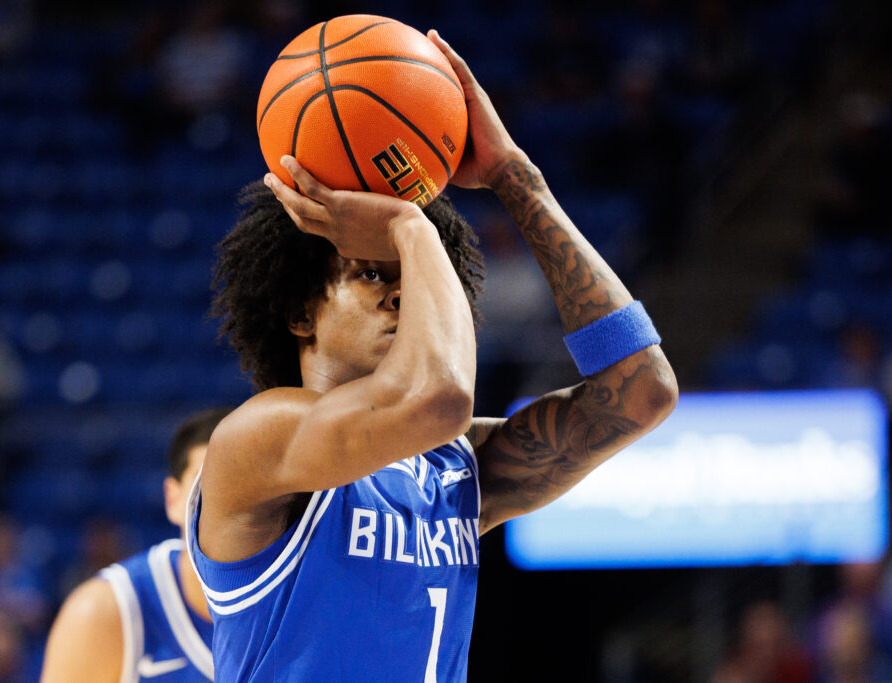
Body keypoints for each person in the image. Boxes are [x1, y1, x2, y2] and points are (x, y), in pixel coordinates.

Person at [188, 29, 678, 682]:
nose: (402, 294)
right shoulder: (259, 437)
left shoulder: (453, 470)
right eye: (371, 273)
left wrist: (515, 177)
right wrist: (410, 226)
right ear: (300, 313)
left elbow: (643, 391)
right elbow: (440, 401)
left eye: (412, 278)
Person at [41, 408, 232, 682]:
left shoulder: (295, 603)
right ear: (173, 499)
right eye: (207, 486)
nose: (230, 503)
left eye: (245, 485)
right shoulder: (102, 613)